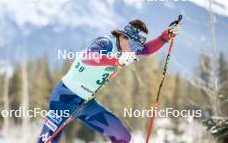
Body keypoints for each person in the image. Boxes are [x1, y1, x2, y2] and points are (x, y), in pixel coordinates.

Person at [38, 19, 181, 143]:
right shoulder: (105, 43)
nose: (135, 50)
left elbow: (148, 49)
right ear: (125, 37)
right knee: (46, 141)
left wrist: (166, 36)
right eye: (134, 45)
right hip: (64, 98)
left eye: (138, 47)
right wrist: (116, 60)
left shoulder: (128, 49)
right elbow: (89, 57)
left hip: (87, 104)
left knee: (122, 136)